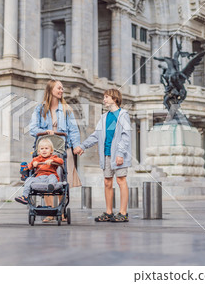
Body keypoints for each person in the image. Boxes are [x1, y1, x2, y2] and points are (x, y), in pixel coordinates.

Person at [29, 79, 81, 222]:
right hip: (45, 148)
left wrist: (76, 145)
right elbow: (32, 129)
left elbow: (74, 130)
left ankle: (61, 211)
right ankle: (50, 211)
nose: (61, 90)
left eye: (62, 88)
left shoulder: (66, 109)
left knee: (61, 178)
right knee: (45, 175)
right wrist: (45, 131)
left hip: (62, 147)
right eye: (59, 88)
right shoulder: (40, 109)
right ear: (51, 89)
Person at [76, 89, 131, 222]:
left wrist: (120, 153)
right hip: (106, 155)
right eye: (104, 97)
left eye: (107, 97)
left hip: (118, 155)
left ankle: (123, 213)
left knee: (121, 180)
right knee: (107, 182)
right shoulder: (104, 117)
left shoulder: (123, 115)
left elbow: (126, 136)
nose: (104, 99)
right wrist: (83, 146)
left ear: (115, 99)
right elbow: (96, 135)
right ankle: (109, 212)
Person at [15, 138, 63, 205]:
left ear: (51, 150)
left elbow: (61, 161)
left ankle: (51, 186)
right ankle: (25, 197)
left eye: (46, 148)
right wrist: (33, 164)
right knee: (29, 179)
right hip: (39, 178)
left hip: (49, 177)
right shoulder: (37, 159)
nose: (44, 150)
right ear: (39, 151)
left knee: (53, 176)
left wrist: (52, 161)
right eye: (42, 149)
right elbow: (29, 166)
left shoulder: (53, 157)